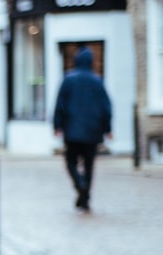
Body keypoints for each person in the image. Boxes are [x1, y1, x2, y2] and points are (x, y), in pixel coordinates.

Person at [53, 46, 112, 212]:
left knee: (71, 161)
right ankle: (84, 195)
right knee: (89, 164)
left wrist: (57, 125)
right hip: (92, 132)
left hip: (72, 131)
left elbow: (60, 105)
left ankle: (81, 186)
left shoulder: (69, 79)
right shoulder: (97, 80)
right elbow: (106, 107)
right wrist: (108, 128)